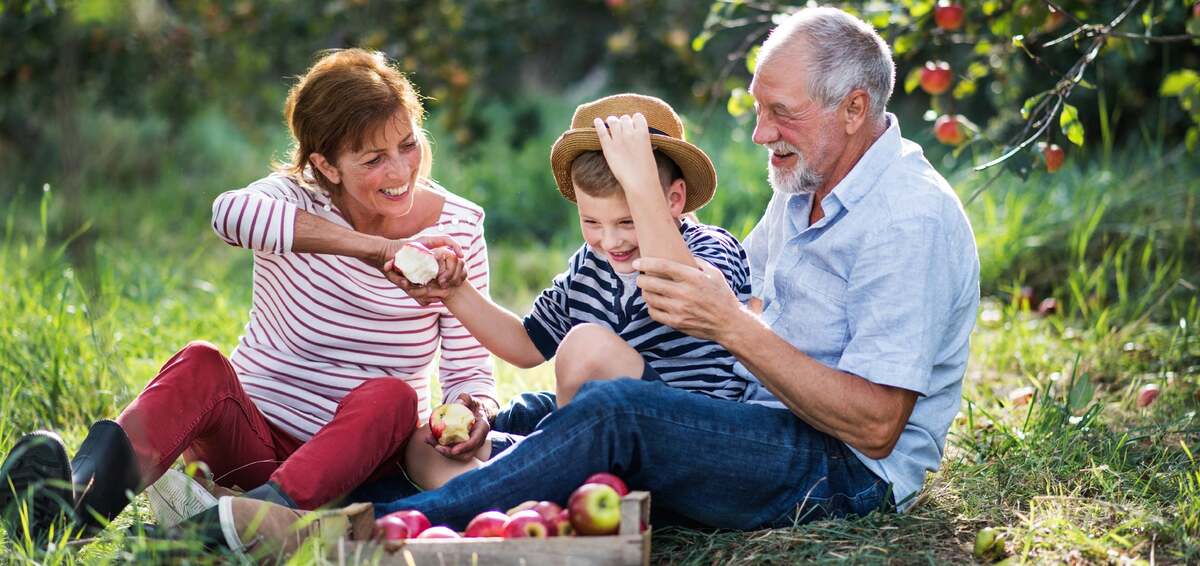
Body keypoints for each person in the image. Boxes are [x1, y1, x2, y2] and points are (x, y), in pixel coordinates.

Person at [195, 6, 982, 552]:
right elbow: (670, 317)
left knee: (617, 414)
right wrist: (458, 300)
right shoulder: (806, 190)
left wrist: (733, 327)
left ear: (852, 108)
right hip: (755, 418)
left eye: (781, 113)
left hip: (841, 466)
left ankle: (357, 530)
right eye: (757, 109)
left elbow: (878, 425)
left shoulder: (906, 219)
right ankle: (310, 495)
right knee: (498, 419)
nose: (760, 133)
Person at [0, 48, 495, 541]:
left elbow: (469, 367)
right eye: (374, 159)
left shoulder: (459, 227)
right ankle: (73, 506)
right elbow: (228, 215)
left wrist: (473, 409)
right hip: (254, 442)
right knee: (200, 363)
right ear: (326, 165)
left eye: (408, 145)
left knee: (394, 397)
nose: (400, 171)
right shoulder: (292, 198)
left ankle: (233, 530)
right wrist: (376, 248)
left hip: (355, 461)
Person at [398, 93, 753, 490]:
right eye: (592, 221)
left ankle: (542, 484)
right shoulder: (590, 263)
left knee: (588, 348)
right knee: (423, 444)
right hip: (595, 436)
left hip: (684, 437)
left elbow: (679, 294)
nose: (610, 240)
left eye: (627, 219)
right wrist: (453, 291)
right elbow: (526, 346)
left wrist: (642, 190)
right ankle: (505, 495)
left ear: (672, 200)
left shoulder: (710, 250)